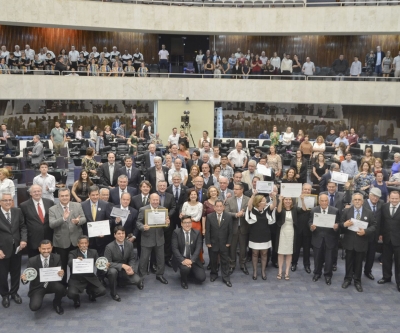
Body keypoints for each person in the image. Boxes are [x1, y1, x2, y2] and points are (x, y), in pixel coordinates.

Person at [49, 188, 86, 285]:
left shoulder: (77, 205)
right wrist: (63, 219)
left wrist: (78, 221)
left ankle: (75, 286)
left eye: (66, 195)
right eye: (62, 196)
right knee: (62, 266)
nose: (65, 198)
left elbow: (83, 218)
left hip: (76, 241)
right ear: (58, 197)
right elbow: (52, 224)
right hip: (61, 243)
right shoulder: (52, 209)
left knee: (77, 266)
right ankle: (63, 287)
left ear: (70, 196)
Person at [340, 193, 377, 292]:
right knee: (348, 262)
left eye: (359, 200)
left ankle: (357, 281)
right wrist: (344, 224)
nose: (357, 201)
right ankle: (347, 279)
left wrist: (366, 231)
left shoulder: (369, 213)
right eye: (355, 199)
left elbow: (374, 226)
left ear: (362, 201)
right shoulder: (347, 211)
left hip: (361, 242)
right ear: (352, 201)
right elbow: (340, 224)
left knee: (358, 263)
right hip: (349, 242)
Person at [20, 240, 66, 314]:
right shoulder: (32, 260)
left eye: (48, 248)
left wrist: (61, 273)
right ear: (39, 249)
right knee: (34, 307)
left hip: (52, 284)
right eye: (44, 249)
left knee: (62, 289)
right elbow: (28, 277)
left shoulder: (57, 257)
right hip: (38, 286)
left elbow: (60, 273)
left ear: (51, 248)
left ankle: (57, 303)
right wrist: (24, 279)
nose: (46, 251)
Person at [0, 192, 27, 308]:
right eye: (5, 200)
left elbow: (23, 227)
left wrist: (23, 240)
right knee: (2, 275)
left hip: (17, 248)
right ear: (0, 202)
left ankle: (14, 293)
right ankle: (4, 295)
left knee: (16, 272)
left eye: (10, 200)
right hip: (2, 250)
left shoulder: (17, 211)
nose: (8, 202)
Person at [137, 193, 170, 283]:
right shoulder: (143, 210)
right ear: (149, 200)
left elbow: (166, 226)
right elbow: (138, 222)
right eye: (153, 200)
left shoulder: (163, 210)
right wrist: (143, 227)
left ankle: (159, 275)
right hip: (147, 238)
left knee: (160, 259)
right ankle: (141, 277)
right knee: (144, 259)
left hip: (159, 238)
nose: (155, 202)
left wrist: (167, 223)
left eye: (157, 200)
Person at [104, 226, 143, 302]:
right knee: (112, 272)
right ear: (114, 235)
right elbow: (107, 263)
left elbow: (132, 258)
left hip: (125, 270)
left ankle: (120, 281)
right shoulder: (109, 247)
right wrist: (122, 265)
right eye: (119, 234)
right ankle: (113, 293)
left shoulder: (130, 244)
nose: (121, 235)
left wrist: (131, 268)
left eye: (123, 233)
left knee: (137, 281)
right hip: (113, 269)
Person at [309, 194, 340, 285]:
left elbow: (338, 222)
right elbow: (310, 221)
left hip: (330, 238)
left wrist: (336, 226)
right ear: (319, 202)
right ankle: (317, 273)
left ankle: (328, 275)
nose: (323, 202)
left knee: (329, 259)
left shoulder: (335, 211)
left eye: (325, 201)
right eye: (322, 201)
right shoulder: (314, 210)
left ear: (328, 201)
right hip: (317, 237)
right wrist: (311, 226)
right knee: (317, 257)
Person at [67, 235, 106, 307]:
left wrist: (104, 265)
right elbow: (69, 263)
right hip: (77, 279)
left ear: (88, 243)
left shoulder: (94, 252)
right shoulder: (72, 253)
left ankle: (91, 293)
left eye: (86, 243)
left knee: (102, 291)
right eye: (82, 243)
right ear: (78, 244)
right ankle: (76, 299)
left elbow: (98, 263)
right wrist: (75, 261)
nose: (84, 245)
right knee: (71, 294)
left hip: (90, 278)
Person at [246, 191, 277, 280]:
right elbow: (249, 205)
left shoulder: (267, 209)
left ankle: (263, 271)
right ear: (259, 202)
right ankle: (255, 271)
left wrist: (274, 197)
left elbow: (274, 205)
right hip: (254, 235)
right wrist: (253, 195)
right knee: (255, 254)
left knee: (264, 253)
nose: (266, 202)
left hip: (265, 235)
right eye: (264, 201)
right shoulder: (253, 209)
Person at [275, 195, 307, 280]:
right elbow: (278, 212)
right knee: (280, 252)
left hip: (292, 232)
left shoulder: (294, 209)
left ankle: (287, 272)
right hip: (282, 232)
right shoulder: (280, 208)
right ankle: (280, 271)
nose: (288, 201)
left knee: (289, 253)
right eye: (286, 199)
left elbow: (304, 210)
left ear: (292, 201)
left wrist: (302, 200)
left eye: (289, 199)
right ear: (283, 200)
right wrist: (280, 201)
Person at [171, 215, 206, 289]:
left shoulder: (196, 233)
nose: (187, 225)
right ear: (181, 224)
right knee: (185, 269)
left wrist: (191, 260)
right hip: (181, 259)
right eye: (185, 223)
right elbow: (175, 249)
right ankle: (183, 280)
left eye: (189, 222)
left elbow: (198, 248)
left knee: (201, 278)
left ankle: (190, 271)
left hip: (193, 259)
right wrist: (183, 260)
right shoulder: (176, 232)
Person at [20, 185, 54, 258]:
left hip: (49, 238)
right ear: (30, 193)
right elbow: (23, 224)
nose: (37, 193)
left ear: (41, 192)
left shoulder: (50, 202)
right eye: (34, 191)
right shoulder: (24, 206)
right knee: (34, 264)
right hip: (33, 240)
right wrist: (24, 239)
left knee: (50, 264)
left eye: (38, 191)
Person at [205, 200, 233, 287]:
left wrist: (229, 242)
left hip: (224, 244)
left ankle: (226, 277)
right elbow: (207, 231)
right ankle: (214, 274)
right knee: (213, 260)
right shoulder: (209, 216)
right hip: (213, 243)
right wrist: (208, 242)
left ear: (223, 207)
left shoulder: (228, 216)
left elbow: (230, 231)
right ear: (214, 207)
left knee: (225, 261)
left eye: (221, 206)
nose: (219, 208)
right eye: (217, 206)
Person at [224, 182, 250, 275]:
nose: (234, 191)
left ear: (242, 190)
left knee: (243, 248)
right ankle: (232, 265)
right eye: (234, 189)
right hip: (233, 228)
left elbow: (250, 210)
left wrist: (243, 213)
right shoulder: (229, 200)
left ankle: (243, 264)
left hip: (244, 227)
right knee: (232, 248)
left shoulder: (248, 200)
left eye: (236, 189)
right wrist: (236, 214)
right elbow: (226, 213)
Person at [377, 190, 400, 291]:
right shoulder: (384, 207)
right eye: (392, 198)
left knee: (399, 262)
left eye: (396, 198)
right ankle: (386, 277)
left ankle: (399, 282)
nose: (394, 200)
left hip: (398, 240)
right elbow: (382, 221)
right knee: (386, 259)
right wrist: (381, 233)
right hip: (386, 238)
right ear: (389, 198)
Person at [81, 186, 112, 260]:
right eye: (93, 195)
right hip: (88, 238)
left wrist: (104, 232)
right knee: (88, 260)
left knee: (101, 260)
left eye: (97, 195)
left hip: (101, 239)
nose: (95, 197)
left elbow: (110, 220)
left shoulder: (105, 204)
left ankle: (100, 272)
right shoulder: (83, 205)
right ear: (89, 195)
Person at [362, 187, 384, 281]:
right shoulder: (362, 202)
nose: (375, 198)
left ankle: (368, 271)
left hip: (375, 234)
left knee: (371, 255)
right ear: (369, 195)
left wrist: (381, 233)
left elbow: (383, 220)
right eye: (374, 196)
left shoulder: (382, 204)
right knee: (360, 255)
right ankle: (356, 271)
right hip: (363, 233)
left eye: (377, 197)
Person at [291, 184, 313, 274]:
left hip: (308, 229)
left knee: (307, 249)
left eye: (308, 190)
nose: (307, 191)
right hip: (297, 227)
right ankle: (294, 264)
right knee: (295, 248)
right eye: (305, 189)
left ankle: (307, 265)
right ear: (302, 190)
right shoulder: (296, 199)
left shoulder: (314, 200)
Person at [180, 189, 204, 262]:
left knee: (196, 243)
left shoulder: (200, 205)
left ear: (197, 196)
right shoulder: (185, 204)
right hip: (185, 224)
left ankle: (199, 259)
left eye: (195, 194)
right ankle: (185, 258)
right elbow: (183, 215)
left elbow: (198, 218)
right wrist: (187, 219)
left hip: (196, 225)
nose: (193, 196)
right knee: (185, 241)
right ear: (189, 196)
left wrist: (188, 218)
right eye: (191, 194)